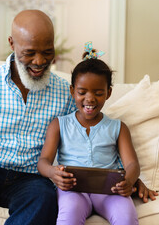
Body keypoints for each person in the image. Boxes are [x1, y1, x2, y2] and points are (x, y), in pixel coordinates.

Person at [0, 10, 157, 225]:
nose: (40, 61)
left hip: (31, 180)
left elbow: (88, 142)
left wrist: (127, 179)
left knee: (45, 198)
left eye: (47, 52)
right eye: (29, 53)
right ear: (12, 44)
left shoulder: (67, 93)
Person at [37, 42, 140, 225]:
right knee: (69, 216)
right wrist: (53, 172)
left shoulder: (118, 127)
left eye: (98, 92)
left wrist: (129, 181)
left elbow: (132, 163)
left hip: (110, 190)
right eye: (82, 92)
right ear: (72, 92)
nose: (90, 98)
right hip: (73, 189)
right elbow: (43, 162)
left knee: (127, 218)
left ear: (108, 93)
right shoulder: (59, 125)